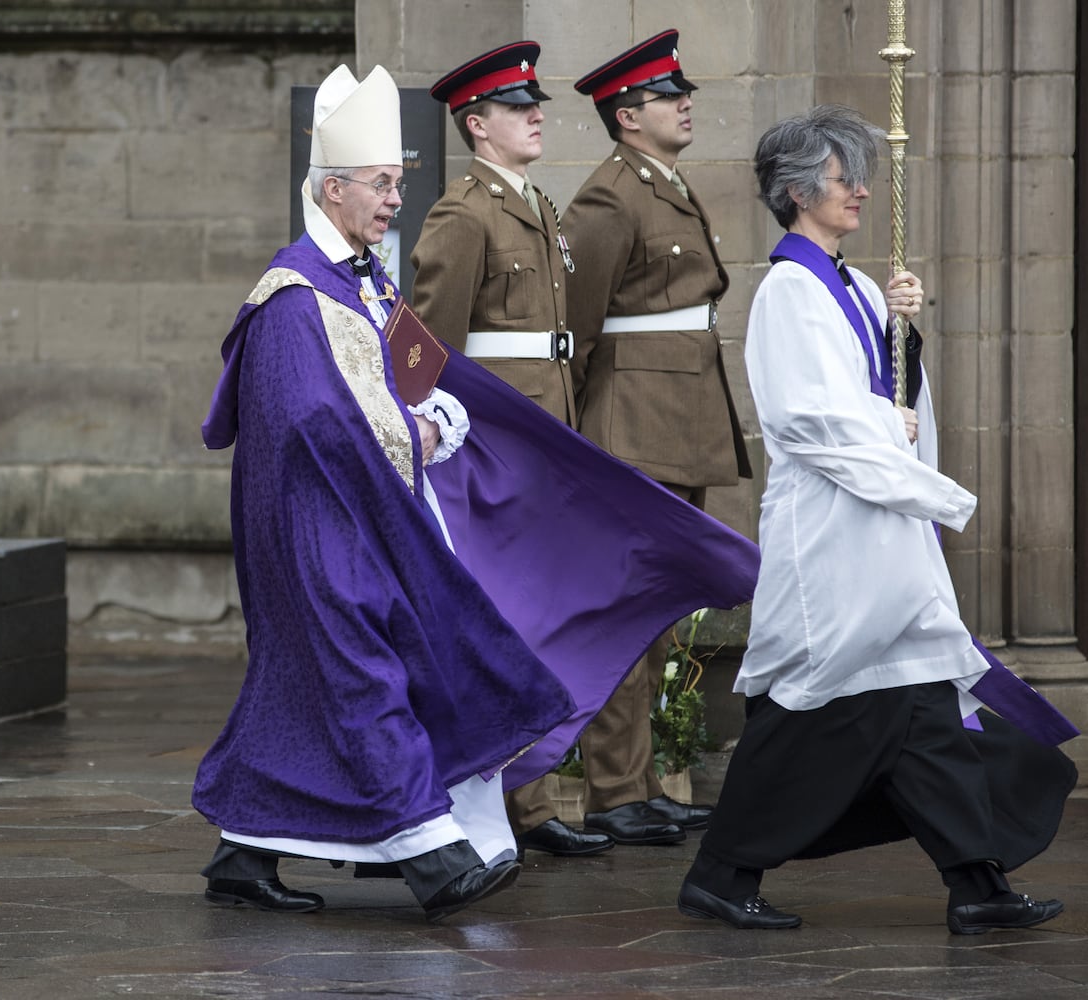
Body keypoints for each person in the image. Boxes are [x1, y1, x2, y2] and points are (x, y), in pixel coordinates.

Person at [676, 104, 1077, 933]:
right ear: (796, 193)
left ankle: (976, 883)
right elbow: (806, 421)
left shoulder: (855, 285)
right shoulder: (789, 290)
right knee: (814, 707)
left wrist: (904, 336)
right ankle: (721, 871)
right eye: (841, 177)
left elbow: (888, 394)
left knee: (923, 708)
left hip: (880, 536)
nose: (860, 189)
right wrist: (904, 453)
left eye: (861, 173)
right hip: (832, 542)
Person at [193, 64, 565, 922]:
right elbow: (309, 427)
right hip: (316, 524)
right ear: (332, 189)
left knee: (304, 685)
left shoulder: (370, 281)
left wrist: (442, 419)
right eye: (382, 183)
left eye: (400, 182)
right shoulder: (291, 297)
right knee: (366, 673)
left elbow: (419, 378)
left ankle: (243, 855)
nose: (397, 197)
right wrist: (419, 434)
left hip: (372, 515)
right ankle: (432, 857)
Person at [409, 41, 611, 860]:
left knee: (538, 622)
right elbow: (426, 347)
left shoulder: (536, 204)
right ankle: (498, 804)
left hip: (544, 439)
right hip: (492, 453)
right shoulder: (464, 215)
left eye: (535, 105)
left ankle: (530, 803)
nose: (536, 116)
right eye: (517, 108)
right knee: (502, 625)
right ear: (476, 125)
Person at [560, 29, 753, 847]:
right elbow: (576, 326)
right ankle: (613, 789)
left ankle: (636, 783)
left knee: (661, 615)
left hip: (680, 419)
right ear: (628, 116)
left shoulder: (666, 183)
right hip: (632, 426)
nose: (687, 103)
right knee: (628, 610)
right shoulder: (611, 196)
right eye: (670, 96)